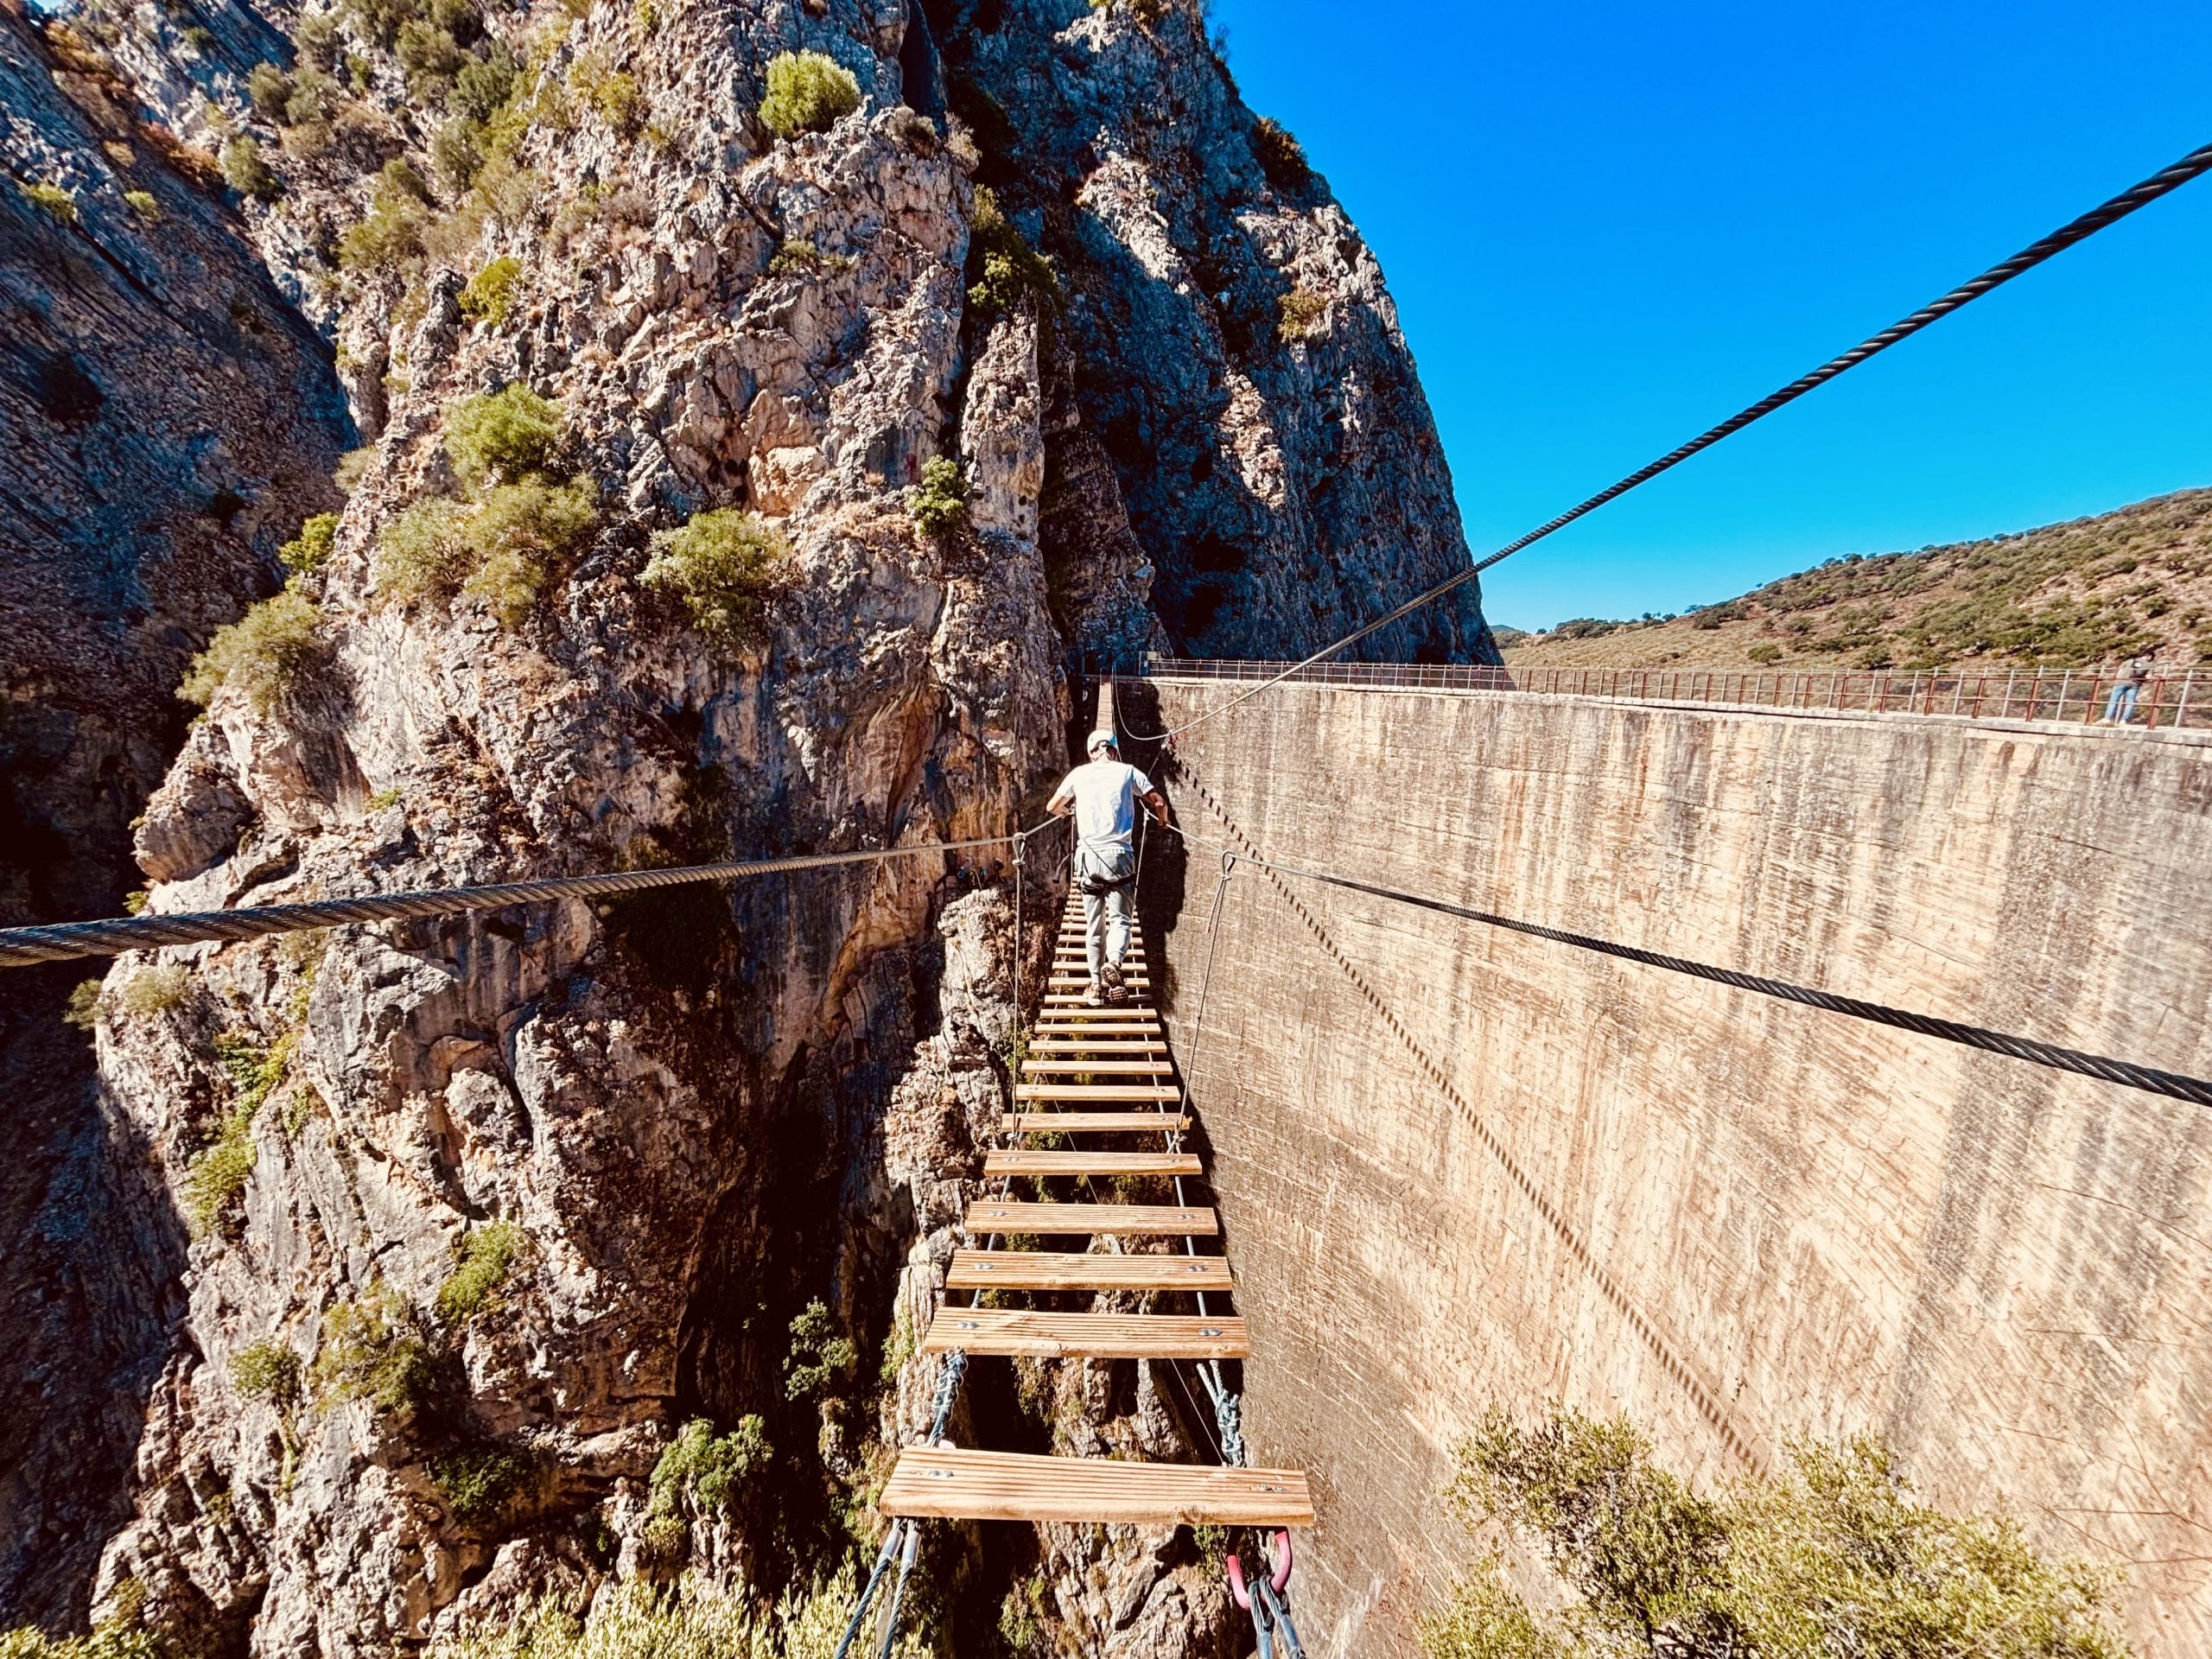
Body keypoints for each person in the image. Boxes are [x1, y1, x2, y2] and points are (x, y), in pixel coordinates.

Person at [1046, 730, 1167, 1006]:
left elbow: (1052, 806)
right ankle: (1114, 962)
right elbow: (1158, 802)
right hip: (1120, 857)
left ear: (1091, 753)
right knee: (1121, 919)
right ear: (1114, 750)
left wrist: (1068, 813)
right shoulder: (1129, 772)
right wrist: (1162, 820)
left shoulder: (1078, 774)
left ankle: (1096, 987)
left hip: (1089, 860)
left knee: (1094, 924)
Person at [2102, 652, 2153, 724]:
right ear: (2149, 656)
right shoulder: (2148, 665)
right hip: (2135, 684)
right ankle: (2123, 720)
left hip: (2120, 682)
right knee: (2130, 703)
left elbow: (2119, 672)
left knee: (2113, 701)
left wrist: (2118, 680)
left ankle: (2107, 719)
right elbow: (2149, 677)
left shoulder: (2128, 661)